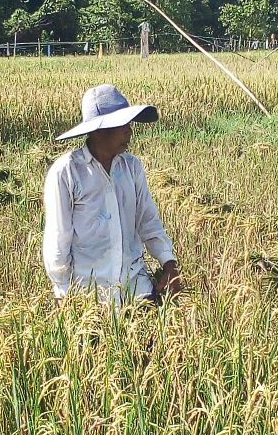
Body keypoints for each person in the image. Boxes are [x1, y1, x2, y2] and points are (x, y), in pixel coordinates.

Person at [42, 84, 183, 306]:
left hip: (135, 285)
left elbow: (148, 220)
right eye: (122, 125)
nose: (129, 131)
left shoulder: (131, 167)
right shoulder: (67, 172)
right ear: (99, 130)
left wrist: (169, 263)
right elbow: (59, 238)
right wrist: (62, 290)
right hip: (90, 293)